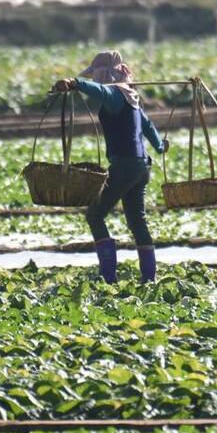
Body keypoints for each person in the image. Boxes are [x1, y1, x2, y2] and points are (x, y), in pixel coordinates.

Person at [52, 50, 168, 284]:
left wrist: (75, 83)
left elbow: (101, 90)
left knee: (95, 214)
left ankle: (109, 277)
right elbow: (148, 126)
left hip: (124, 166)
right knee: (137, 220)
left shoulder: (115, 95)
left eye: (96, 75)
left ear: (104, 74)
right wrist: (160, 146)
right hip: (141, 168)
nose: (95, 79)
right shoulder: (131, 97)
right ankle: (149, 279)